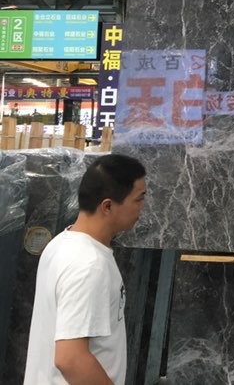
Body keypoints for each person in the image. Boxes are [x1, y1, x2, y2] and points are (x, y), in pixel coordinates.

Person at [23, 154, 146, 385]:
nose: (142, 207)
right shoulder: (89, 265)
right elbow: (70, 359)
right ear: (107, 206)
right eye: (138, 199)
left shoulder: (62, 243)